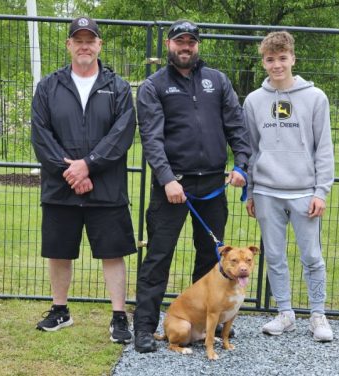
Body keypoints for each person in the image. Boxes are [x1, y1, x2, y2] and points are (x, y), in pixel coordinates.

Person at [133, 19, 251, 353]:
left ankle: (203, 325)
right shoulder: (153, 86)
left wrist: (241, 164)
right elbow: (151, 139)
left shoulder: (218, 81)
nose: (186, 47)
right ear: (168, 44)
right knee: (158, 258)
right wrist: (168, 178)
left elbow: (236, 127)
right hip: (172, 189)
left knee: (211, 261)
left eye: (191, 42)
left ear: (197, 45)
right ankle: (144, 328)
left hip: (213, 187)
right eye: (180, 41)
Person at [30, 16, 137, 344]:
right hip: (61, 188)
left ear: (99, 45)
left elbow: (122, 134)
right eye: (78, 40)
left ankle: (119, 317)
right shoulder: (48, 86)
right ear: (69, 45)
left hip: (106, 188)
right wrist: (72, 173)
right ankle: (60, 310)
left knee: (112, 252)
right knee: (59, 251)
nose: (85, 45)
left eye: (90, 39)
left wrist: (88, 166)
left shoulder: (117, 87)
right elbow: (41, 135)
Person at [244, 30, 335, 342]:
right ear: (264, 62)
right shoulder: (253, 101)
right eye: (270, 59)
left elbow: (323, 148)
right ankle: (285, 313)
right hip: (267, 192)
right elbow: (251, 149)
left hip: (304, 192)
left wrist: (321, 191)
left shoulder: (315, 97)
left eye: (282, 58)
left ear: (293, 58)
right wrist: (251, 190)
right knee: (275, 255)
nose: (276, 65)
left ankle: (318, 315)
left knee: (311, 256)